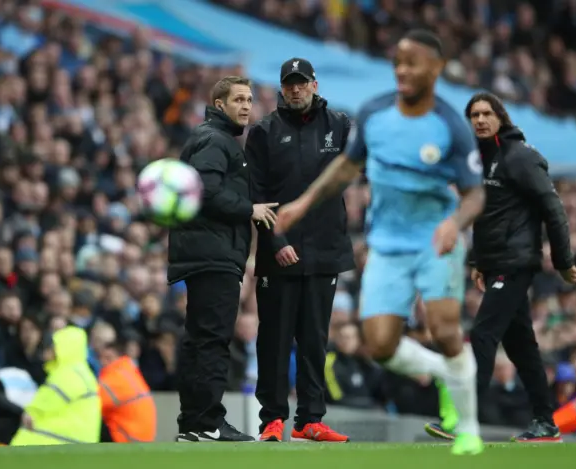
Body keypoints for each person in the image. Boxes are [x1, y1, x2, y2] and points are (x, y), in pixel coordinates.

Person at [274, 29, 486, 456]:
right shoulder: (373, 113)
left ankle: (469, 429)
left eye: (412, 63)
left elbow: (476, 193)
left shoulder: (449, 125)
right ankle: (448, 373)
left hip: (435, 241)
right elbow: (347, 168)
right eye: (398, 64)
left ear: (436, 68)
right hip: (387, 245)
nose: (402, 71)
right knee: (381, 346)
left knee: (445, 330)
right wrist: (302, 203)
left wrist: (455, 224)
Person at [425, 92, 576, 443]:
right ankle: (546, 423)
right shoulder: (481, 160)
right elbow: (488, 216)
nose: (480, 120)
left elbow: (553, 208)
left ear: (501, 117)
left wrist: (563, 262)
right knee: (522, 346)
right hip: (497, 264)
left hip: (516, 263)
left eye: (486, 113)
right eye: (474, 115)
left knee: (482, 334)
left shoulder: (520, 157)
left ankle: (461, 419)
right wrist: (479, 261)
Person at [244, 58, 353, 443]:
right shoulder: (264, 132)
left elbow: (359, 169)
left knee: (314, 340)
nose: (295, 89)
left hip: (325, 251)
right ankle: (272, 419)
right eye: (289, 84)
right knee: (274, 338)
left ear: (314, 85)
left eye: (301, 83)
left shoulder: (339, 126)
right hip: (280, 253)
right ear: (281, 88)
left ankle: (310, 419)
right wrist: (277, 242)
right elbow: (256, 195)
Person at [168, 76, 278, 443]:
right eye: (238, 100)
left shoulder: (212, 139)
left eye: (250, 99)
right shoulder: (215, 141)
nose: (247, 106)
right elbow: (206, 190)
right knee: (213, 338)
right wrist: (251, 208)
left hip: (206, 251)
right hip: (213, 253)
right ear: (219, 105)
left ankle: (194, 423)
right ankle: (210, 420)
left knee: (200, 338)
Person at [10, 326, 101, 446]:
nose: (51, 349)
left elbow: (50, 398)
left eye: (55, 345)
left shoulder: (68, 372)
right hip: (79, 439)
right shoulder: (83, 372)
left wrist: (31, 412)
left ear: (66, 347)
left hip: (61, 437)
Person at [98, 339, 157, 443]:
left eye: (108, 358)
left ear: (119, 357)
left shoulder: (114, 378)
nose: (103, 362)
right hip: (142, 438)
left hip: (125, 438)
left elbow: (91, 404)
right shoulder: (130, 372)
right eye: (101, 358)